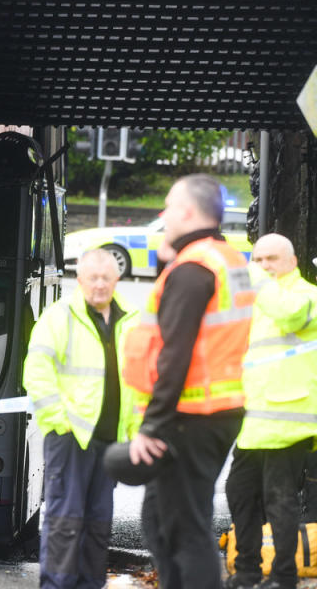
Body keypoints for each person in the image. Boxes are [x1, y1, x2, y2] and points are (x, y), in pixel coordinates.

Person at [124, 173, 256, 589]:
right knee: (161, 521)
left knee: (185, 529)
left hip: (190, 416)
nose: (163, 213)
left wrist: (153, 425)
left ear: (185, 211)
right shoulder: (226, 258)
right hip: (214, 411)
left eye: (168, 205)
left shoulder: (195, 268)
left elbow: (174, 352)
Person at [23, 247, 139, 589]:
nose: (100, 285)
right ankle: (56, 585)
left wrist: (136, 431)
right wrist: (60, 421)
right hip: (70, 435)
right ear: (80, 279)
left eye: (106, 278)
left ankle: (91, 584)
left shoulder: (131, 319)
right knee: (65, 519)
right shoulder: (60, 317)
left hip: (111, 440)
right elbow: (37, 373)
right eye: (93, 278)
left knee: (99, 522)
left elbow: (140, 380)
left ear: (117, 279)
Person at [224, 234, 317, 589]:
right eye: (258, 259)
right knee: (240, 493)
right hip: (255, 420)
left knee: (279, 502)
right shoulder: (260, 301)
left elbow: (290, 315)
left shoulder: (306, 296)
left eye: (271, 259)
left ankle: (284, 576)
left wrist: (256, 280)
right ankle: (246, 570)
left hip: (288, 421)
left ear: (292, 261)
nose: (263, 267)